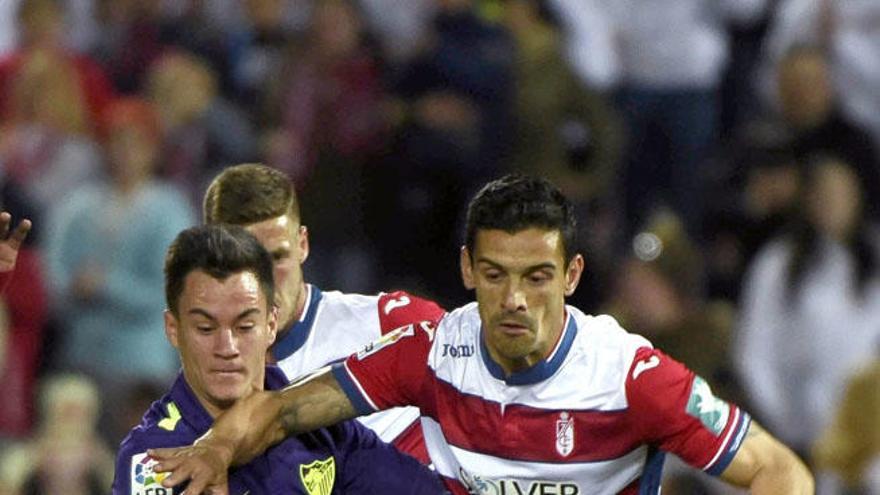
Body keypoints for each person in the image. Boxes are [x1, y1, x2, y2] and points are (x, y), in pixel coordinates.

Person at [151, 175, 813, 494]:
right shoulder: (431, 350)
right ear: (468, 269)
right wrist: (212, 449)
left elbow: (779, 470)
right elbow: (280, 406)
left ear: (572, 274)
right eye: (495, 274)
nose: (515, 299)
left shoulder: (629, 375)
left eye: (537, 276)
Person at [112, 224, 446, 494]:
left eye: (244, 326)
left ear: (271, 324)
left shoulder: (315, 421)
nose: (226, 346)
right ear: (173, 329)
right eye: (205, 327)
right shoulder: (155, 458)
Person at [201, 163, 445, 462]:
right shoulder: (200, 400)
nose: (262, 283)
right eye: (242, 262)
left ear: (302, 244)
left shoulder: (390, 324)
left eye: (276, 258)